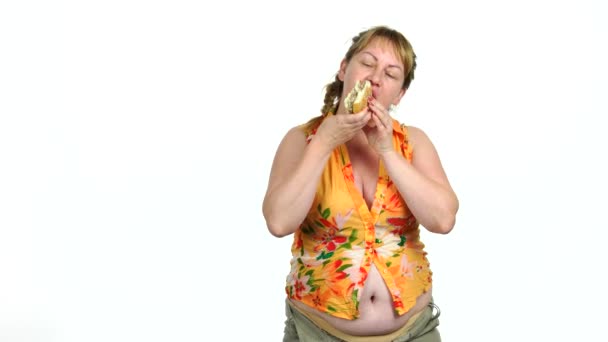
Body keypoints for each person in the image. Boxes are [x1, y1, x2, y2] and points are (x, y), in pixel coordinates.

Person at [262, 25, 459, 342]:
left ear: (400, 93)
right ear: (344, 69)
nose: (375, 78)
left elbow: (443, 219)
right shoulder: (302, 140)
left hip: (413, 331)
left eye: (391, 74)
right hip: (318, 331)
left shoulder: (413, 142)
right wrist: (324, 144)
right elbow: (278, 221)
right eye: (367, 63)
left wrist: (387, 152)